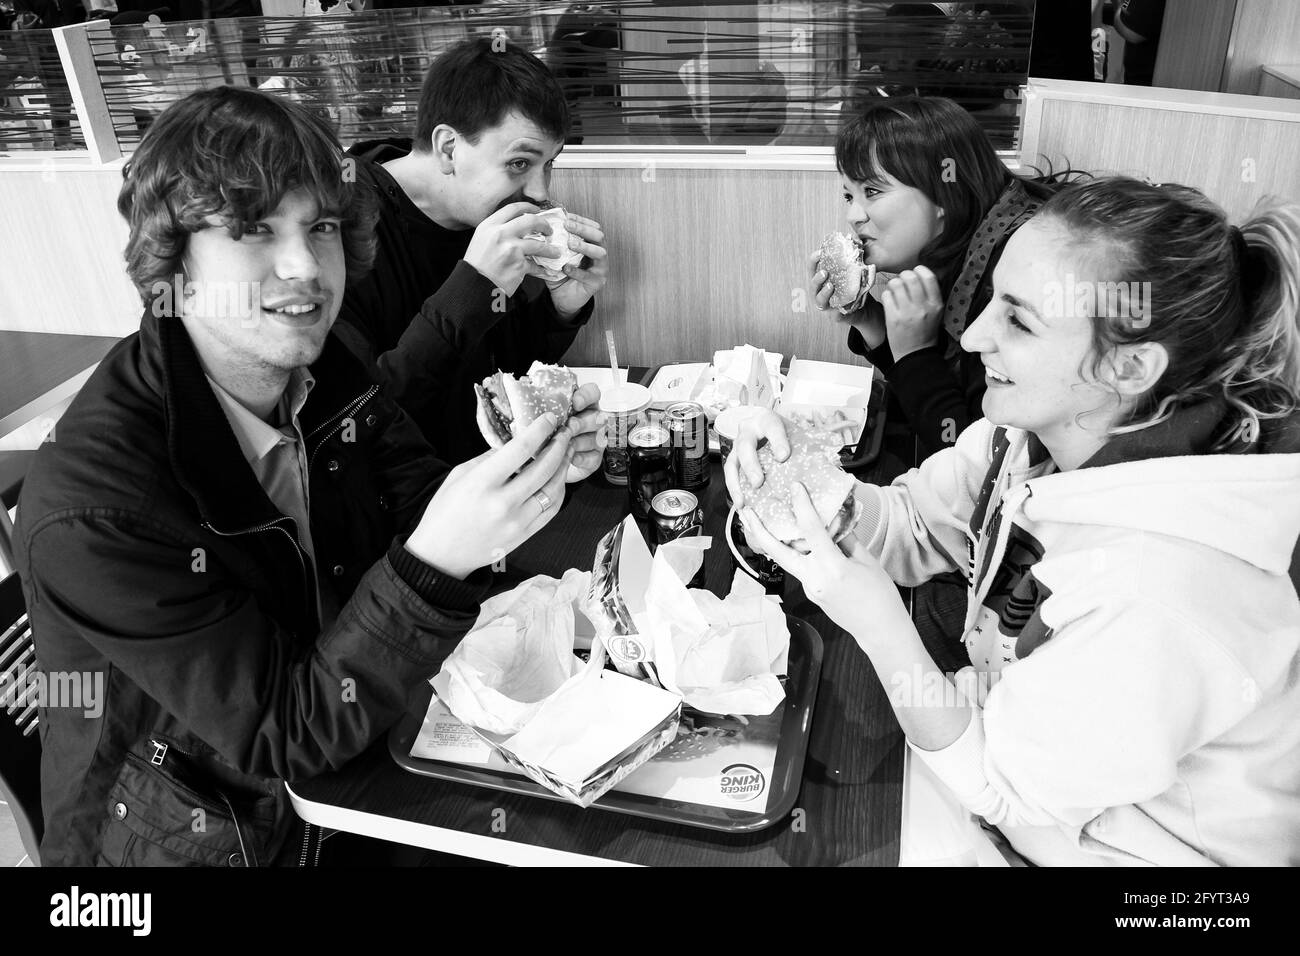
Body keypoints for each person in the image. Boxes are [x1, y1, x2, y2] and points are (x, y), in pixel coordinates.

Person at [13, 85, 604, 867]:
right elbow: (284, 731)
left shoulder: (319, 363)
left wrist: (526, 471)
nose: (304, 268)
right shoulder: (100, 509)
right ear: (173, 260)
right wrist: (431, 564)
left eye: (320, 226)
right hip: (191, 831)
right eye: (252, 228)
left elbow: (417, 493)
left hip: (355, 746)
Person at [730, 177, 1300, 865]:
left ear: (1130, 366)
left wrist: (878, 620)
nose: (971, 337)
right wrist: (804, 483)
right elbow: (915, 520)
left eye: (1018, 321)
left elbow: (1003, 785)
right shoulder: (1037, 432)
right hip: (1008, 760)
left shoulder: (1162, 592)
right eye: (992, 300)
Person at [336, 36, 609, 464]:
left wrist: (562, 310)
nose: (540, 191)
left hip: (506, 476)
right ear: (449, 148)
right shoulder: (342, 231)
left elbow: (510, 372)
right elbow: (359, 419)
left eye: (549, 163)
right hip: (415, 510)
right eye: (521, 163)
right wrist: (470, 289)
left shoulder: (487, 215)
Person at [811, 95, 1068, 459]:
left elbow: (971, 461)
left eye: (871, 191)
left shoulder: (1009, 282)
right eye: (848, 195)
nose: (854, 215)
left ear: (944, 192)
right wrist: (871, 322)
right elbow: (923, 391)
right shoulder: (958, 254)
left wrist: (916, 353)